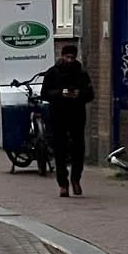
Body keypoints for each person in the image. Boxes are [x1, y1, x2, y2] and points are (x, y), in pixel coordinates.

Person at [40, 41, 94, 197]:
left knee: (78, 149)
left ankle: (76, 179)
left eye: (72, 57)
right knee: (60, 150)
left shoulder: (81, 73)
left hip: (77, 115)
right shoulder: (53, 72)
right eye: (67, 57)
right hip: (58, 115)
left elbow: (90, 94)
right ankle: (63, 184)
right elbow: (45, 93)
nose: (70, 60)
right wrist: (60, 93)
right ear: (62, 56)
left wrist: (79, 95)